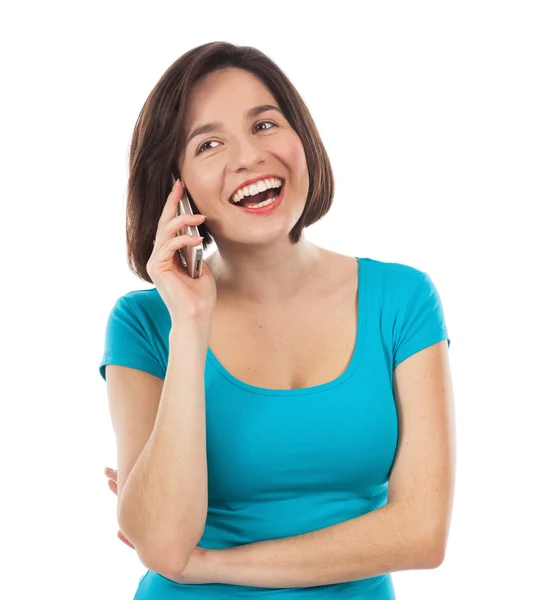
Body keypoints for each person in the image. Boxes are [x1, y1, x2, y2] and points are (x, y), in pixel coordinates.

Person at [99, 41, 455, 600]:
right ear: (177, 185)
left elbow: (422, 534)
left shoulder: (402, 299)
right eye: (209, 143)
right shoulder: (145, 324)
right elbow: (166, 545)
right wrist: (190, 324)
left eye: (264, 125)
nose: (248, 157)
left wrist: (210, 564)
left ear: (301, 137)